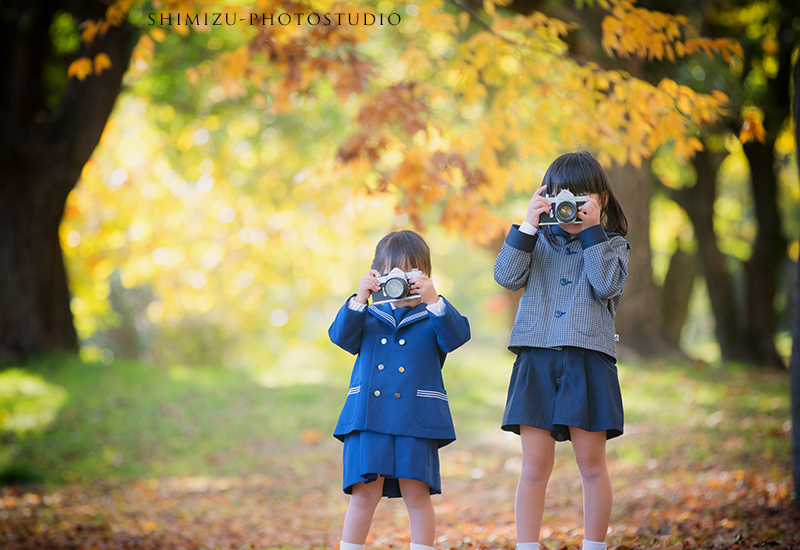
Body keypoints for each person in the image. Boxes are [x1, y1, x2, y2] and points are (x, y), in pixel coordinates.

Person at [494, 151, 631, 550]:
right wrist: (528, 224)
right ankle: (526, 546)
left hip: (588, 360)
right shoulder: (533, 240)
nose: (569, 204)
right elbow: (506, 276)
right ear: (547, 197)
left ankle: (593, 545)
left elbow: (606, 284)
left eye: (581, 195)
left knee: (591, 465)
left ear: (601, 199)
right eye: (560, 195)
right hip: (536, 359)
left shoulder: (613, 245)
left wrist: (591, 232)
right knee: (534, 467)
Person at [329, 230, 471, 550]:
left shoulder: (433, 313)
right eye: (392, 273)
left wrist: (434, 300)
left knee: (417, 494)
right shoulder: (366, 312)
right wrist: (359, 298)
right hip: (368, 416)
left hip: (415, 419)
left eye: (408, 273)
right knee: (364, 493)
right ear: (377, 273)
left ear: (424, 275)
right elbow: (341, 338)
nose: (400, 282)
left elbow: (456, 337)